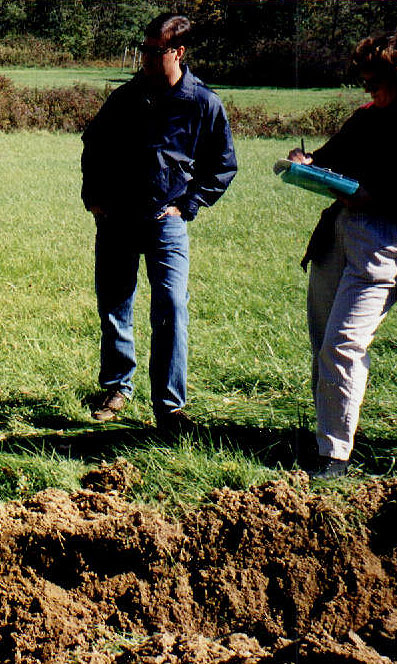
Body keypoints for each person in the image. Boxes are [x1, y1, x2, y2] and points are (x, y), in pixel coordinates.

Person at [287, 28, 397, 479]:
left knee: (343, 345)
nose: (367, 90)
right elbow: (332, 159)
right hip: (338, 235)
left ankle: (334, 458)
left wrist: (375, 198)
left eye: (374, 81)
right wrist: (305, 165)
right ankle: (324, 435)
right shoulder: (368, 117)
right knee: (323, 342)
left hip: (387, 243)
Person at [81, 13, 237, 429]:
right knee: (115, 303)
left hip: (165, 220)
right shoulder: (127, 97)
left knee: (170, 305)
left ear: (179, 52)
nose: (146, 59)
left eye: (156, 51)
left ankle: (169, 407)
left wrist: (187, 206)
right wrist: (95, 198)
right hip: (116, 219)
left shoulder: (203, 102)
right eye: (144, 50)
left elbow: (222, 166)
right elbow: (93, 144)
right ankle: (117, 386)